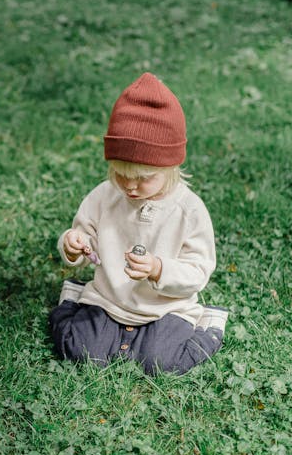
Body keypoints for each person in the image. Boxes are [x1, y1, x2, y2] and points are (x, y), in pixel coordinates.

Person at [49, 72, 228, 375]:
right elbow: (83, 235)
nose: (130, 187)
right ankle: (75, 298)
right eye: (120, 174)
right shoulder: (105, 196)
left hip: (165, 308)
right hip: (108, 300)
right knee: (79, 351)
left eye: (143, 179)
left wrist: (160, 269)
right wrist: (74, 244)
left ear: (170, 166)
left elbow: (198, 270)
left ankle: (208, 324)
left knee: (162, 362)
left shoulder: (189, 210)